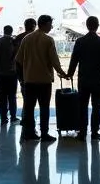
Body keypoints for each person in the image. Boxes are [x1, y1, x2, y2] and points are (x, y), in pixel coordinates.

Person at [15, 14, 65, 143]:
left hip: (29, 80)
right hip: (44, 80)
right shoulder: (48, 40)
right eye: (50, 24)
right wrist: (62, 73)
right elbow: (54, 60)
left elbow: (18, 60)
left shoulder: (26, 39)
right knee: (44, 108)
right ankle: (44, 134)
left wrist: (22, 77)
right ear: (44, 24)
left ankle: (28, 133)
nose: (51, 27)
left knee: (29, 108)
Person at [67, 15, 100, 140]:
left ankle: (82, 132)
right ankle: (94, 132)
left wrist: (69, 74)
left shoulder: (80, 41)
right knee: (96, 106)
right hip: (98, 79)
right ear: (97, 26)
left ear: (87, 26)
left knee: (83, 106)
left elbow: (74, 60)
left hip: (84, 79)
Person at [0, 24, 20, 125]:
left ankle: (3, 117)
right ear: (11, 31)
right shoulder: (14, 42)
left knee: (2, 96)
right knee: (12, 95)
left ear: (4, 31)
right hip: (12, 73)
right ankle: (13, 116)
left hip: (0, 73)